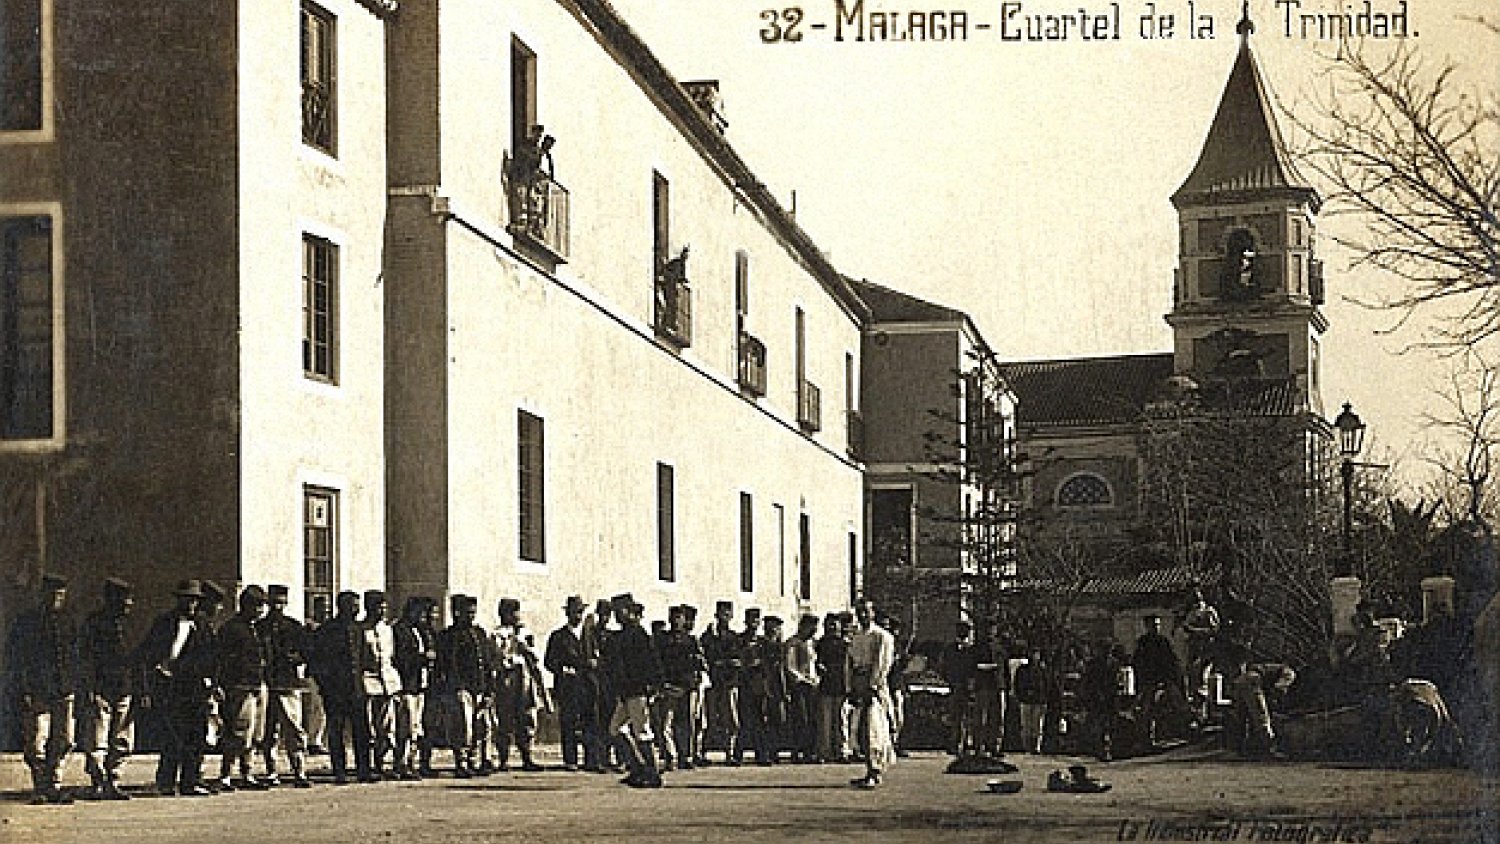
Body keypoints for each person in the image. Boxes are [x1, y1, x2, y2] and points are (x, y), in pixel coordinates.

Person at [5, 573, 78, 804]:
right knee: (37, 739)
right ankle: (40, 786)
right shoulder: (27, 622)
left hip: (64, 689)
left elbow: (77, 655)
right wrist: (23, 688)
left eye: (61, 594)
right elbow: (15, 658)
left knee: (64, 739)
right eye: (52, 594)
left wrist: (75, 684)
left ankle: (55, 784)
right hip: (37, 690)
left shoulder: (68, 622)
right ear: (43, 595)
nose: (57, 599)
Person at [139, 579, 214, 797]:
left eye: (195, 601)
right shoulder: (164, 623)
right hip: (171, 688)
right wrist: (155, 673)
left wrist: (211, 682)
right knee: (171, 736)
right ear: (179, 600)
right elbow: (149, 652)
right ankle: (166, 781)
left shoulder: (203, 625)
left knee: (196, 736)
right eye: (187, 600)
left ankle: (190, 781)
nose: (191, 604)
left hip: (195, 689)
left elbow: (212, 657)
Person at [77, 577, 136, 800]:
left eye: (129, 600)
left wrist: (139, 688)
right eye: (123, 600)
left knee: (121, 739)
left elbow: (137, 658)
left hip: (124, 688)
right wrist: (89, 686)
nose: (128, 605)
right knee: (97, 740)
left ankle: (113, 780)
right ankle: (97, 782)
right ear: (111, 600)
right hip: (101, 688)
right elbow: (85, 657)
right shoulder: (94, 624)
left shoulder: (130, 626)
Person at [215, 585, 272, 792]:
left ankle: (248, 772)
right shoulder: (232, 629)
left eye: (262, 606)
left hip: (258, 684)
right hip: (240, 686)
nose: (260, 610)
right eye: (257, 606)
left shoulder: (258, 629)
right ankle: (227, 774)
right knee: (238, 731)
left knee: (256, 732)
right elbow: (223, 660)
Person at [605, 594, 664, 788]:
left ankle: (653, 772)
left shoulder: (639, 635)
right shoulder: (621, 636)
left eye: (619, 611)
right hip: (626, 692)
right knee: (615, 729)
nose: (616, 615)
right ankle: (637, 767)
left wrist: (653, 687)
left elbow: (652, 663)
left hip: (638, 691)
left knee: (642, 732)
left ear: (628, 611)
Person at [313, 590, 369, 784]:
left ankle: (363, 770)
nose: (356, 609)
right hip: (335, 690)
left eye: (357, 605)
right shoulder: (327, 631)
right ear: (342, 607)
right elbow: (318, 661)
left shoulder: (358, 629)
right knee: (336, 731)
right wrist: (326, 686)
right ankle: (339, 771)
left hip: (356, 688)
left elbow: (362, 659)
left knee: (361, 730)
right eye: (352, 605)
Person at [259, 584, 312, 787]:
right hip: (266, 684)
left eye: (281, 603)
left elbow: (306, 652)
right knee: (268, 731)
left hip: (288, 684)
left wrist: (295, 658)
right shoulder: (260, 627)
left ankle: (299, 770)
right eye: (273, 603)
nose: (277, 607)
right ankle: (271, 770)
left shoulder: (293, 627)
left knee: (294, 728)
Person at [436, 593, 493, 778]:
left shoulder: (480, 634)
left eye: (472, 613)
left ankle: (475, 760)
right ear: (456, 613)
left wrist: (488, 689)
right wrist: (456, 687)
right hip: (461, 688)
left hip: (480, 687)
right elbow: (448, 664)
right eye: (466, 613)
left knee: (481, 726)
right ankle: (461, 760)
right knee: (463, 725)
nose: (470, 616)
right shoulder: (448, 637)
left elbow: (487, 663)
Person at [492, 597, 546, 771]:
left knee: (527, 718)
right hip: (508, 679)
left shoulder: (525, 633)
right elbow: (498, 658)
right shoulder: (497, 634)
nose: (516, 616)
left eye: (517, 612)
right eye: (512, 612)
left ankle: (527, 756)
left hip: (525, 679)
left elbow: (535, 657)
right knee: (505, 718)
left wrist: (527, 649)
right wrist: (513, 655)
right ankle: (503, 758)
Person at [848, 599, 895, 788]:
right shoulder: (856, 636)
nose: (862, 615)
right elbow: (850, 662)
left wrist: (873, 685)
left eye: (866, 611)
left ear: (873, 613)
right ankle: (869, 768)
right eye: (859, 611)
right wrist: (851, 686)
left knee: (874, 728)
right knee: (860, 728)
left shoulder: (882, 636)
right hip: (859, 681)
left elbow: (883, 663)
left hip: (873, 684)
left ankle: (875, 771)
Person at [545, 595, 594, 771]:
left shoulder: (590, 635)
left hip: (587, 684)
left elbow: (598, 657)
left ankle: (591, 759)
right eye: (574, 612)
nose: (578, 616)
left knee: (589, 720)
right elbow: (549, 661)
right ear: (568, 613)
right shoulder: (558, 636)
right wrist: (562, 669)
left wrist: (594, 664)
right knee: (568, 722)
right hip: (567, 686)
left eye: (580, 612)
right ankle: (570, 759)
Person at [655, 605, 706, 771]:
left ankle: (686, 756)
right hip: (669, 687)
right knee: (665, 724)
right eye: (673, 618)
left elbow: (700, 664)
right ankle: (671, 756)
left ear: (684, 620)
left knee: (686, 724)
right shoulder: (662, 640)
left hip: (687, 687)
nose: (676, 621)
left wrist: (694, 682)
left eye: (679, 618)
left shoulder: (691, 641)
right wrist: (662, 684)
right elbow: (658, 663)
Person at [393, 596, 436, 779]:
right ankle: (401, 763)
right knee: (407, 727)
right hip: (407, 684)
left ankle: (411, 762)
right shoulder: (400, 631)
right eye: (419, 613)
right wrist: (422, 657)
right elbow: (401, 658)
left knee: (416, 727)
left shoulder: (421, 631)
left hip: (420, 684)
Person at [700, 600, 744, 765]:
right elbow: (707, 657)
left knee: (730, 720)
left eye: (727, 615)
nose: (724, 618)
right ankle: (703, 752)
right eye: (721, 615)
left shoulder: (734, 637)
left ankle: (729, 752)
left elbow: (738, 660)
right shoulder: (708, 637)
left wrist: (726, 663)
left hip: (729, 683)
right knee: (709, 719)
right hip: (713, 683)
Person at [1132, 615, 1183, 745]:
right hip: (1148, 680)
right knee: (1146, 708)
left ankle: (1170, 732)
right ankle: (1147, 737)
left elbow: (1171, 660)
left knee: (1173, 702)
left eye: (1158, 625)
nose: (1156, 628)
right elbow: (1138, 663)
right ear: (1147, 627)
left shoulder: (1163, 641)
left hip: (1164, 678)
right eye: (1154, 625)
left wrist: (1170, 678)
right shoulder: (1143, 643)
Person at [938, 619, 979, 757]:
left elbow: (974, 669)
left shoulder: (972, 650)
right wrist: (950, 681)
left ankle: (966, 743)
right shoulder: (950, 649)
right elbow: (944, 667)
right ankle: (955, 743)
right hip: (955, 686)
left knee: (968, 717)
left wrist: (972, 683)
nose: (964, 633)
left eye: (966, 630)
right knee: (955, 716)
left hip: (968, 687)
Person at [784, 614, 821, 763]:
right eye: (811, 627)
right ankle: (797, 750)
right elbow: (790, 666)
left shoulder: (812, 643)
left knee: (812, 719)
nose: (814, 630)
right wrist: (802, 679)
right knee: (800, 719)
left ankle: (809, 751)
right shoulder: (793, 643)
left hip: (813, 684)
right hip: (800, 686)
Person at [815, 612, 849, 763]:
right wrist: (820, 667)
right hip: (826, 685)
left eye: (835, 624)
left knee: (841, 721)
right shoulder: (821, 644)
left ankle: (842, 750)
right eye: (829, 624)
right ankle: (825, 752)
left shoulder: (845, 644)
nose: (832, 627)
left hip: (841, 685)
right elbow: (817, 661)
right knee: (826, 722)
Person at [1079, 641, 1121, 762]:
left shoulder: (1114, 663)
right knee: (1100, 724)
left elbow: (1116, 680)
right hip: (1096, 698)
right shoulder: (1093, 664)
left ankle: (1108, 748)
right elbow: (1089, 682)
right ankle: (1101, 748)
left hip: (1110, 698)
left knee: (1109, 724)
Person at [736, 607, 768, 765]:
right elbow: (737, 660)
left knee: (760, 721)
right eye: (751, 620)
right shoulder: (740, 640)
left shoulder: (763, 642)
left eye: (756, 620)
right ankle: (738, 754)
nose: (753, 624)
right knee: (744, 721)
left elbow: (769, 662)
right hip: (745, 684)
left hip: (759, 685)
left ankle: (761, 754)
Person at [1013, 647, 1053, 754]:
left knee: (1037, 725)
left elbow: (1047, 685)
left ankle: (1036, 747)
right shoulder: (1022, 670)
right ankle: (1026, 746)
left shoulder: (1043, 670)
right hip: (1026, 700)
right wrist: (1021, 695)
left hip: (1039, 700)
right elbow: (1018, 684)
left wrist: (1045, 698)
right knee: (1026, 725)